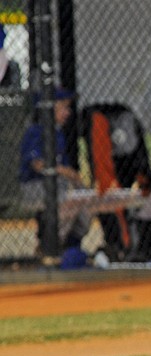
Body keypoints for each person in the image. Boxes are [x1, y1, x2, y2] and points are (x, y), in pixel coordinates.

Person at [19, 88, 88, 255]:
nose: (68, 112)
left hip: (57, 187)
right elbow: (37, 164)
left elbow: (67, 173)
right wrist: (66, 172)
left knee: (86, 203)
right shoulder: (36, 131)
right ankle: (48, 246)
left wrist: (78, 181)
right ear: (49, 108)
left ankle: (70, 247)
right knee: (69, 202)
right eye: (64, 107)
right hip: (34, 187)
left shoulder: (58, 133)